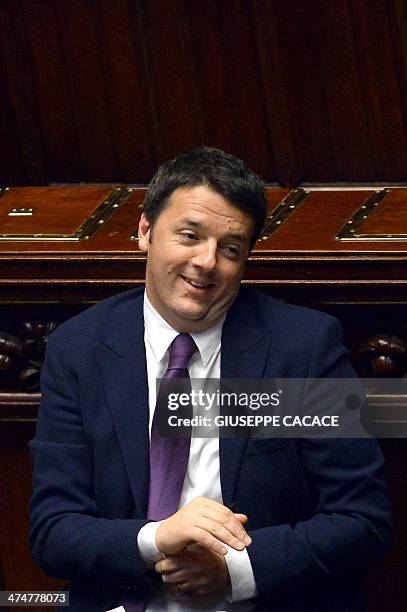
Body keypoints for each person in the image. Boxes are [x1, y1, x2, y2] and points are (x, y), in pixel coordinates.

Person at [29, 147, 391, 612]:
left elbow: (362, 519)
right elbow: (53, 531)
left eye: (231, 249)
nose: (206, 262)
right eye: (189, 235)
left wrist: (234, 571)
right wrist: (158, 538)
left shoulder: (300, 349)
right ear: (144, 231)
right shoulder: (80, 349)